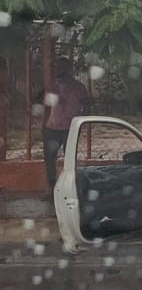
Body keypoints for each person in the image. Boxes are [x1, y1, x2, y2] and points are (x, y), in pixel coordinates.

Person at [42, 60, 90, 192]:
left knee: (70, 160)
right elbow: (47, 108)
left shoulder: (78, 87)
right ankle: (52, 188)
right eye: (57, 67)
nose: (59, 70)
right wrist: (44, 126)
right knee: (50, 159)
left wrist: (79, 122)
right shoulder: (53, 87)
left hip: (70, 128)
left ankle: (70, 188)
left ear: (69, 69)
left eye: (62, 67)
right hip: (52, 128)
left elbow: (86, 106)